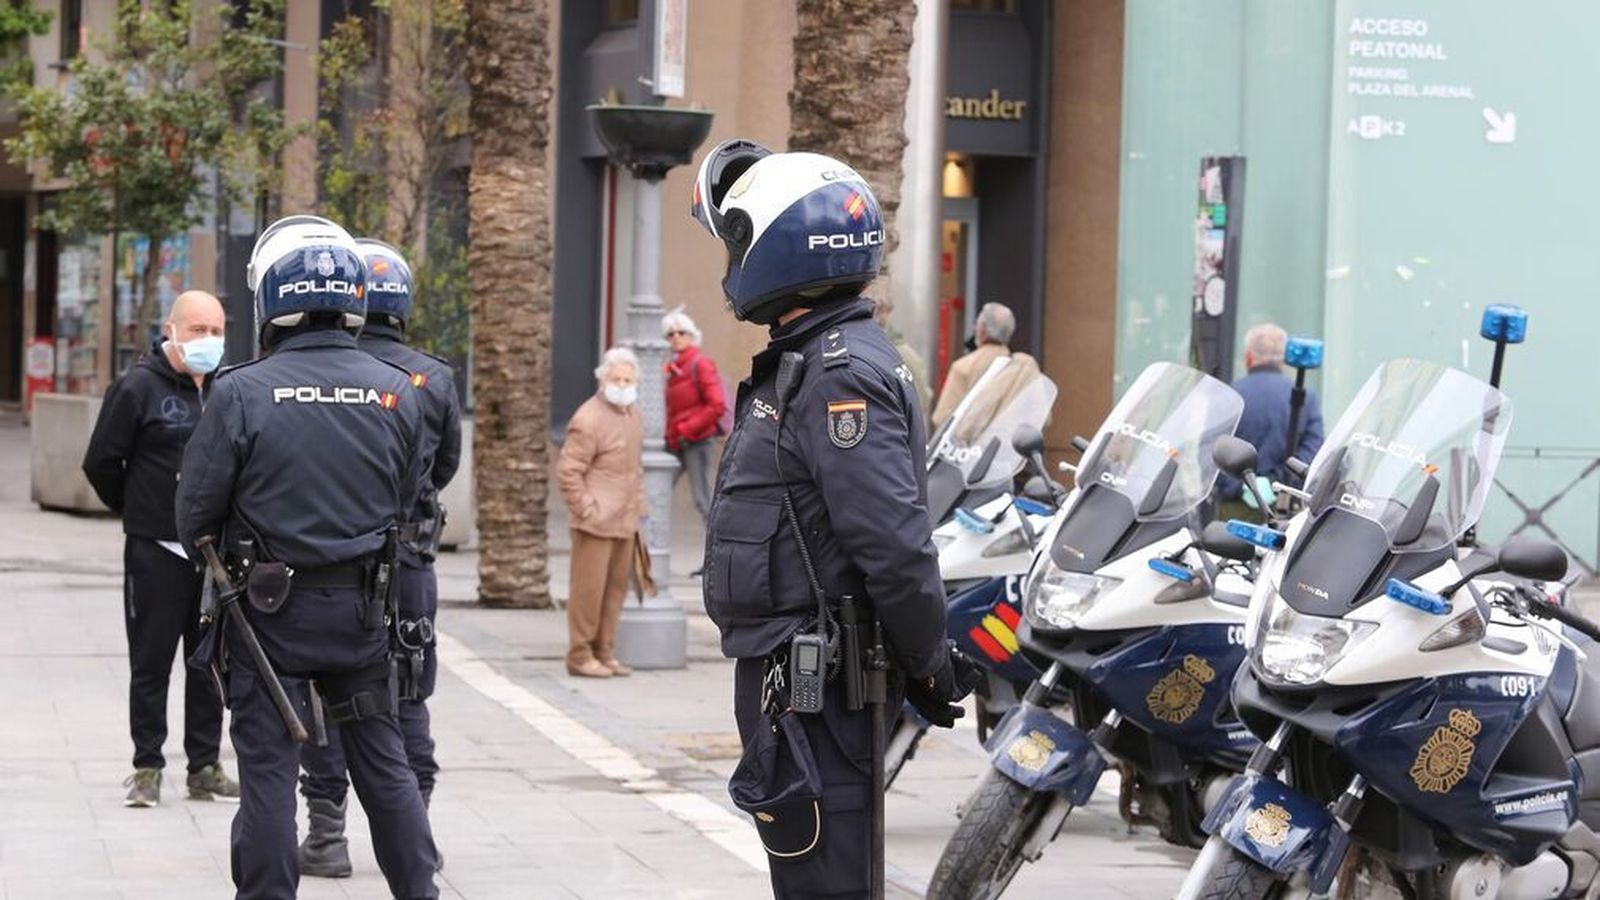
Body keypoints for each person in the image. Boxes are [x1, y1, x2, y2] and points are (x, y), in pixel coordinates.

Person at [690, 139, 977, 897]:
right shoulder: (813, 359)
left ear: (782, 251)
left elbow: (890, 540)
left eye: (737, 244)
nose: (729, 264)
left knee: (827, 880)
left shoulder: (838, 372)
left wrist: (928, 659)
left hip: (820, 688)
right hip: (798, 675)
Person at [175, 215, 438, 900]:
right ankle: (421, 890)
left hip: (268, 615)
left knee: (267, 771)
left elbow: (193, 513)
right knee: (384, 762)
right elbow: (409, 496)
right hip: (362, 613)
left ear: (271, 296)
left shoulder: (240, 390)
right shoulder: (396, 391)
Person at [296, 238, 462, 879]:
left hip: (338, 561)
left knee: (326, 695)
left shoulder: (327, 369)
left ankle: (327, 835)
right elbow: (442, 469)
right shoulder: (433, 377)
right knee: (410, 692)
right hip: (412, 560)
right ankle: (415, 833)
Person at [82, 290, 239, 808]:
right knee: (150, 663)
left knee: (208, 664)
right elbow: (101, 462)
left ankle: (205, 766)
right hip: (154, 551)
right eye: (198, 330)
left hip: (213, 554)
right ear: (170, 329)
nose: (209, 341)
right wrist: (139, 510)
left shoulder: (231, 389)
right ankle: (147, 766)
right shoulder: (136, 388)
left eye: (216, 331)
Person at [556, 346, 646, 679]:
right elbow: (568, 471)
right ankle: (580, 655)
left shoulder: (633, 415)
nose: (622, 385)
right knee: (588, 594)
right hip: (595, 522)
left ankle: (604, 652)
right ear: (602, 378)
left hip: (625, 521)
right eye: (617, 378)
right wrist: (586, 509)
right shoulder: (588, 417)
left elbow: (634, 470)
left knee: (614, 593)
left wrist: (639, 512)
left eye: (628, 379)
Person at [1217, 322, 1325, 522]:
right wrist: (1278, 483)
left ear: (1249, 357)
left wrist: (1239, 487)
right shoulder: (1306, 398)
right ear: (1284, 360)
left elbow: (1212, 449)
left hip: (1236, 508)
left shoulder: (1230, 396)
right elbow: (1312, 451)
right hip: (1285, 509)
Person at [663, 307, 725, 530]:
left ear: (692, 335)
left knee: (703, 498)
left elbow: (717, 405)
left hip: (696, 441)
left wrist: (687, 428)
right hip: (676, 441)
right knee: (657, 491)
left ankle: (713, 557)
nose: (676, 338)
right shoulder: (672, 368)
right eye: (670, 334)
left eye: (681, 332)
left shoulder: (700, 363)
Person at [930, 301, 1015, 429]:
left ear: (982, 329)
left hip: (973, 446)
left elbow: (942, 417)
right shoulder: (1020, 367)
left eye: (977, 324)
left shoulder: (963, 367)